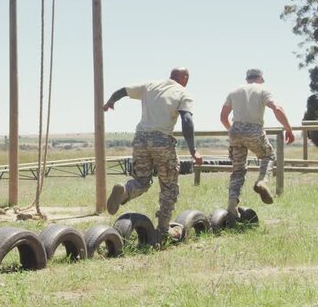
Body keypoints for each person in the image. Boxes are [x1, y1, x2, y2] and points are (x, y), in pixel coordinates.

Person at [104, 68, 203, 244]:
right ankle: (163, 231)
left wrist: (110, 102)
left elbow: (123, 91)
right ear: (185, 78)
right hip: (162, 140)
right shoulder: (183, 93)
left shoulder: (150, 85)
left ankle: (124, 191)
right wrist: (193, 150)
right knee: (169, 187)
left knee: (141, 181)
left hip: (141, 138)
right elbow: (186, 120)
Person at [220, 68, 294, 221]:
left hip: (235, 130)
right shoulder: (263, 89)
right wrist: (288, 129)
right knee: (269, 155)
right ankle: (262, 181)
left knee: (238, 170)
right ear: (260, 78)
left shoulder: (234, 91)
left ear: (247, 78)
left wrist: (234, 132)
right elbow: (277, 108)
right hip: (254, 129)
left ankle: (232, 207)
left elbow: (223, 117)